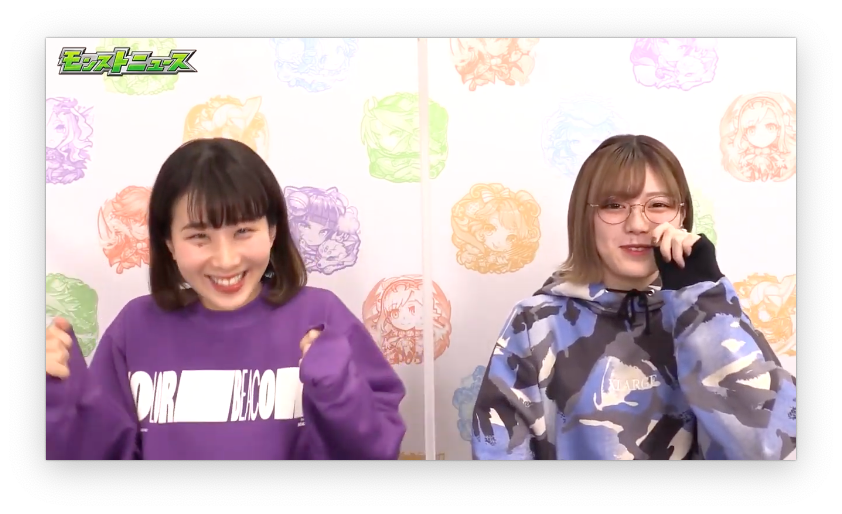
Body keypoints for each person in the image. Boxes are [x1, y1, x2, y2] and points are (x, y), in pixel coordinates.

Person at [45, 137, 407, 460]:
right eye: (199, 236)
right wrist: (59, 399)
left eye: (243, 231)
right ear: (169, 242)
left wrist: (341, 391)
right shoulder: (135, 327)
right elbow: (99, 451)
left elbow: (376, 451)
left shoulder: (321, 317)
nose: (226, 259)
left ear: (273, 231)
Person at [471, 134, 796, 460]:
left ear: (681, 216)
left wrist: (702, 301)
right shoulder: (535, 325)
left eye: (658, 205)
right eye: (614, 205)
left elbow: (765, 447)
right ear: (585, 217)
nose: (638, 224)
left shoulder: (714, 312)